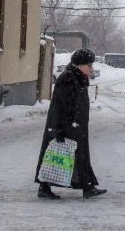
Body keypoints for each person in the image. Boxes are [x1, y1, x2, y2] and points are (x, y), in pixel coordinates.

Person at [35, 48, 107, 200]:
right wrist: (58, 129)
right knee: (56, 156)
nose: (91, 68)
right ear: (79, 65)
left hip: (76, 126)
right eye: (89, 65)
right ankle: (45, 186)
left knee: (79, 156)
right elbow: (59, 106)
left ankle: (87, 186)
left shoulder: (78, 78)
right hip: (67, 127)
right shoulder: (68, 78)